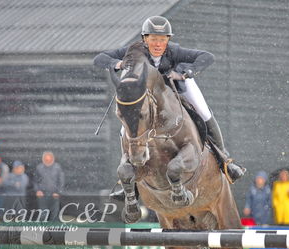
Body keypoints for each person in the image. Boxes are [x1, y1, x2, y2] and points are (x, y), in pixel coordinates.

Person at [93, 15, 245, 183]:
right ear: (145, 39)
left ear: (168, 40)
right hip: (146, 94)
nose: (158, 44)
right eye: (153, 39)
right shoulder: (133, 50)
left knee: (203, 111)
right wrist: (119, 64)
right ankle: (127, 174)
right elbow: (99, 58)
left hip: (176, 88)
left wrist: (186, 73)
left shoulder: (174, 51)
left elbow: (207, 57)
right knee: (125, 129)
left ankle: (224, 160)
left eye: (162, 39)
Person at [33, 151, 64, 221]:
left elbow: (61, 181)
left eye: (49, 159)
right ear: (43, 159)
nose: (48, 161)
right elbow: (35, 181)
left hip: (54, 195)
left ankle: (54, 229)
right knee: (43, 214)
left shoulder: (58, 168)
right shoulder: (39, 168)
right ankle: (42, 229)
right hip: (42, 195)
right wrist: (37, 191)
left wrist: (58, 192)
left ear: (53, 159)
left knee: (54, 214)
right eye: (46, 159)